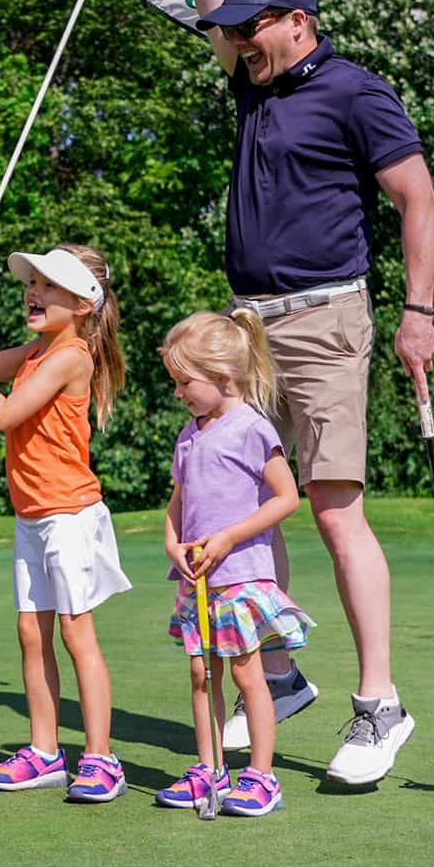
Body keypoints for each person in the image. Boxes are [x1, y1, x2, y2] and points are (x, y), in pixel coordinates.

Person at [132, 0, 434, 786]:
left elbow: (418, 201)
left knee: (333, 506)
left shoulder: (356, 91)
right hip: (247, 332)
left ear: (297, 23)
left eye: (249, 30)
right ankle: (278, 672)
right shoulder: (251, 80)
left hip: (326, 319)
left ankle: (380, 705)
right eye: (230, 33)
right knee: (234, 496)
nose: (234, 42)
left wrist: (419, 312)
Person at [0, 245, 133, 803]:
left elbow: (4, 413)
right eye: (33, 283)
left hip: (68, 515)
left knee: (75, 633)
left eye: (49, 286)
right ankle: (45, 753)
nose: (34, 292)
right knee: (31, 632)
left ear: (82, 303)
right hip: (32, 517)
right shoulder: (36, 351)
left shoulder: (70, 357)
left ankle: (101, 759)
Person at [153, 311, 311, 817]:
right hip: (198, 581)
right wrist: (173, 543)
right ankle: (210, 769)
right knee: (202, 676)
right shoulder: (189, 435)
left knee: (247, 677)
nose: (178, 392)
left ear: (223, 377)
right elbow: (178, 502)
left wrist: (228, 537)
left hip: (240, 578)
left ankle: (262, 777)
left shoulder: (252, 429)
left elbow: (286, 497)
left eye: (185, 382)